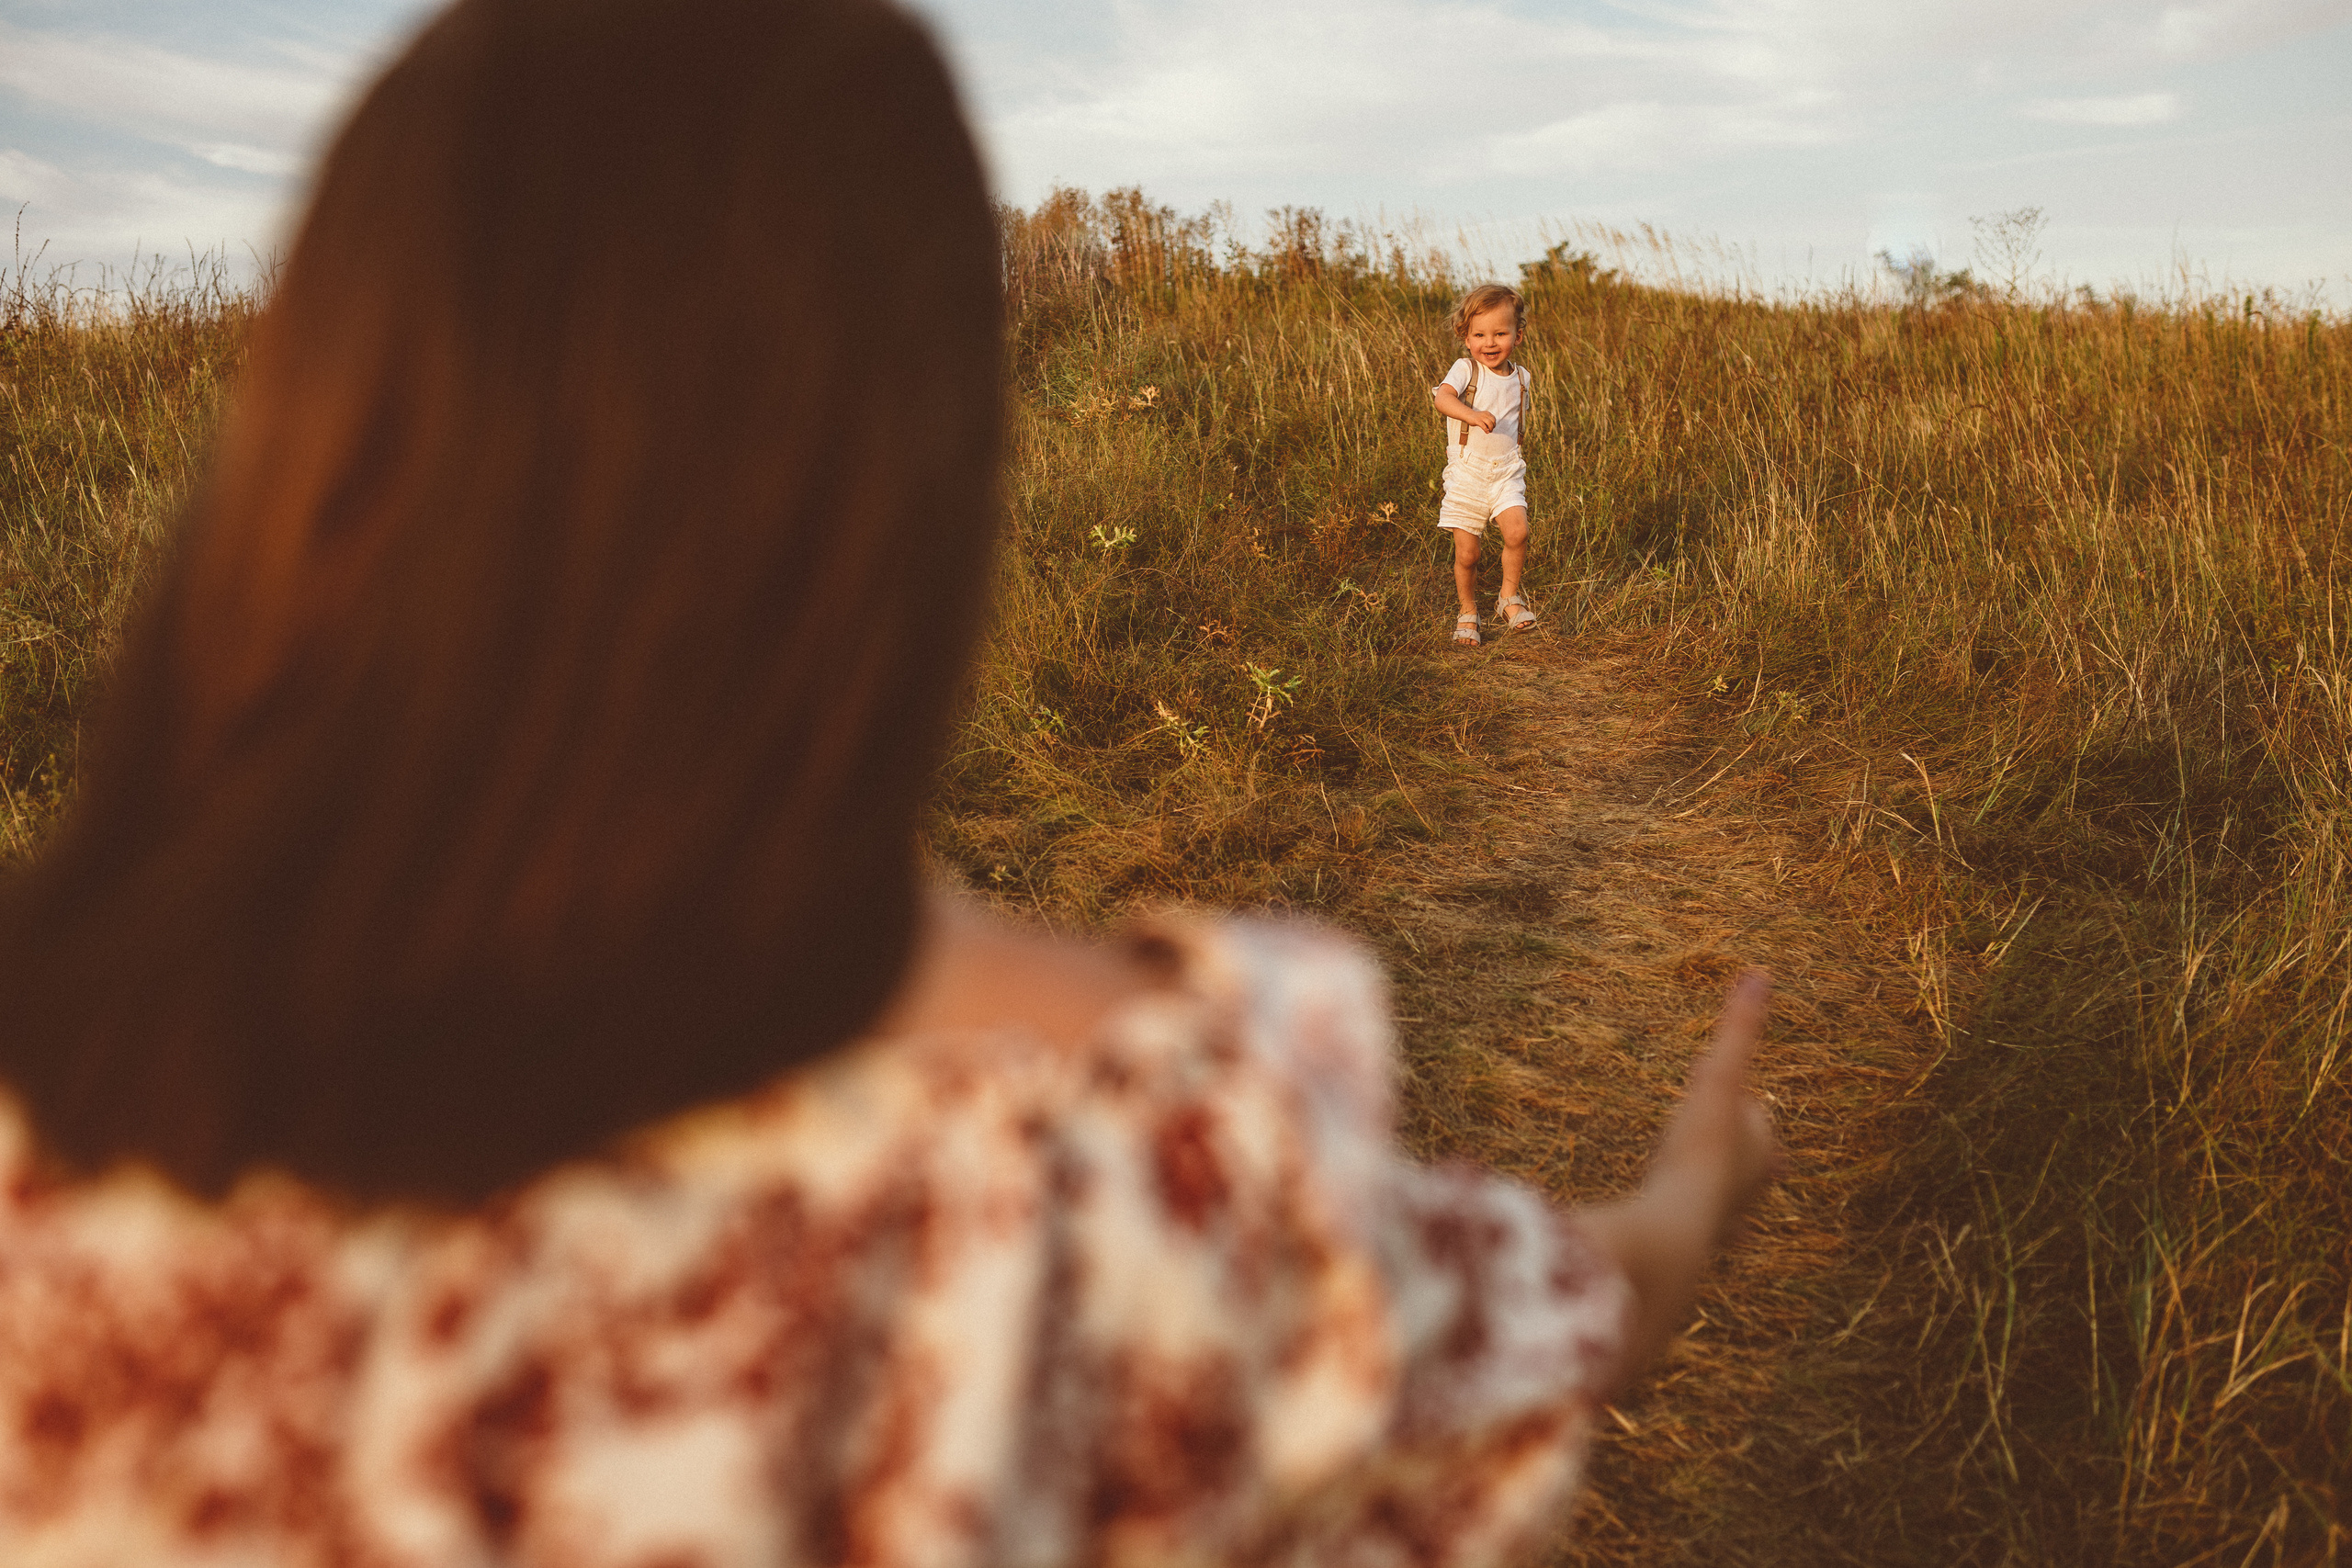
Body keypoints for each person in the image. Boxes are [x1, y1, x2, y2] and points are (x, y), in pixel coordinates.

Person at [0, 0, 1781, 1561]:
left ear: (327, 410)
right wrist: (1702, 1166)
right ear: (904, 490)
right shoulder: (1126, 1165)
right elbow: (1572, 1317)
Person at [1430, 284, 1537, 647]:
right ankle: (1468, 609)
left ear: (1517, 336)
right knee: (1468, 553)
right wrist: (1472, 415)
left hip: (1506, 468)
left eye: (1500, 334)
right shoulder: (1465, 370)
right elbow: (1443, 399)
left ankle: (1508, 597)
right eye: (1479, 334)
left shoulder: (1522, 377)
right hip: (1468, 471)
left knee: (1517, 533)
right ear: (1466, 337)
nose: (1489, 343)